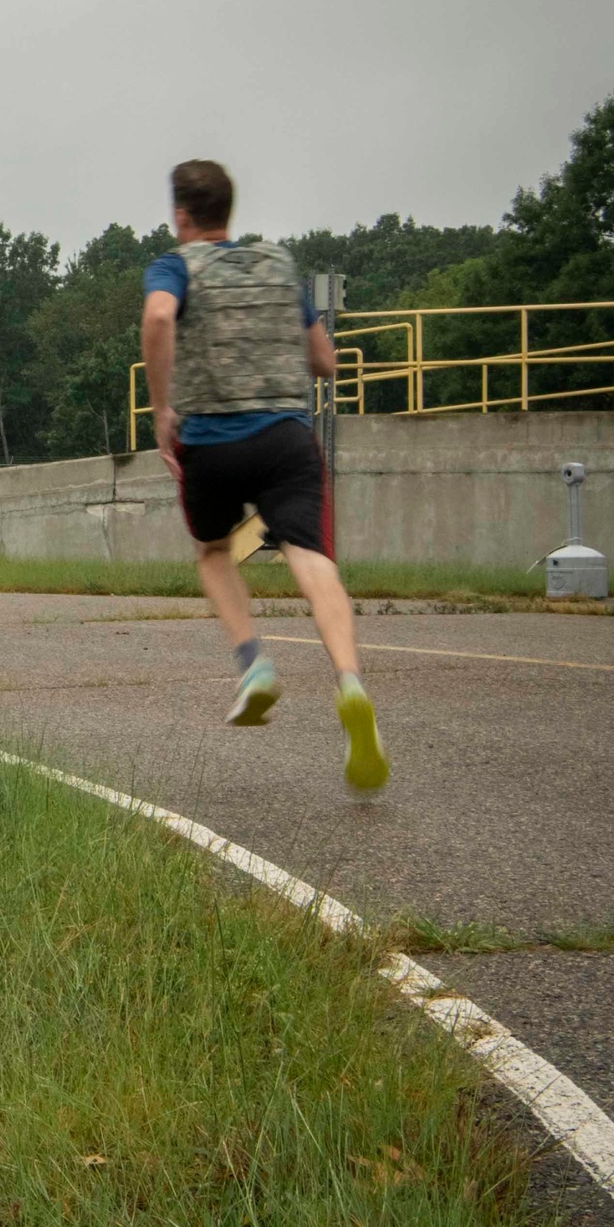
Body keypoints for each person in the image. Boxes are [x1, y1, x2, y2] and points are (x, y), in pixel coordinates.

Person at [141, 158, 390, 791]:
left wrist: (162, 407)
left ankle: (253, 665)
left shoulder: (174, 266)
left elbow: (161, 318)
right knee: (311, 554)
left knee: (213, 549)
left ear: (181, 216)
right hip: (285, 439)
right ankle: (350, 682)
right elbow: (326, 361)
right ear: (230, 210)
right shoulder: (278, 267)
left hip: (212, 443)